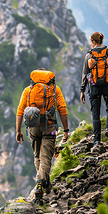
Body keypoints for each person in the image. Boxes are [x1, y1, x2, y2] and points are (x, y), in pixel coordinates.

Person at [16, 68, 69, 204]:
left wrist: (18, 130)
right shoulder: (54, 90)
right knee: (46, 157)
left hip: (33, 127)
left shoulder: (28, 90)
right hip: (49, 126)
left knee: (38, 156)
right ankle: (40, 183)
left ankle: (46, 185)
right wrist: (66, 130)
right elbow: (62, 108)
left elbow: (20, 110)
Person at [80, 32, 108, 147]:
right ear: (101, 41)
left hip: (94, 88)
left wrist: (82, 90)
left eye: (91, 42)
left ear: (94, 42)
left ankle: (96, 141)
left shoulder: (89, 56)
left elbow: (85, 74)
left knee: (95, 114)